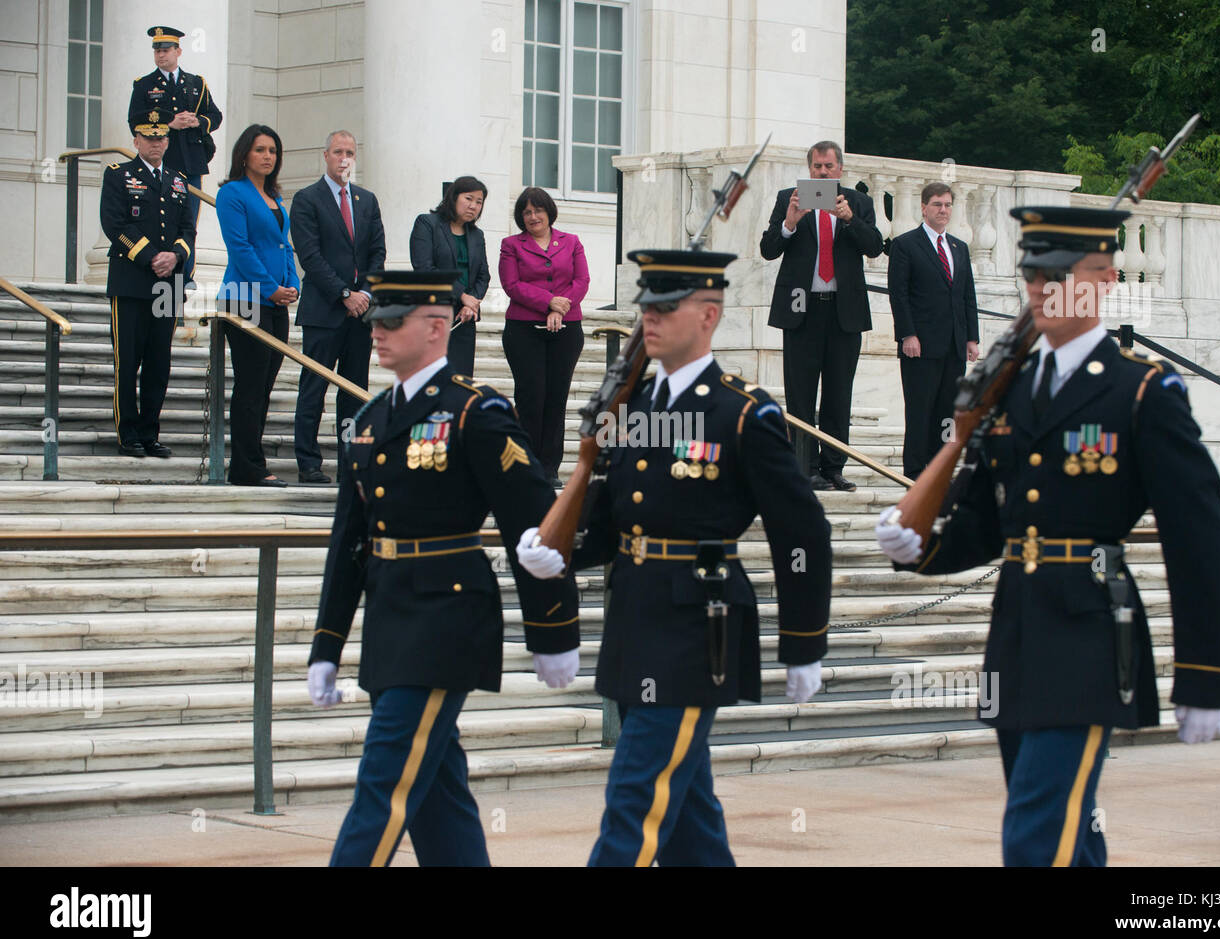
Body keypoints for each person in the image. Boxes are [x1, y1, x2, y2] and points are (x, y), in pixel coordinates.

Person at [874, 206, 1220, 866]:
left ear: (1102, 282)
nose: (1041, 290)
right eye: (1033, 275)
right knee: (1067, 831)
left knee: (1036, 833)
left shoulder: (1141, 391)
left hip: (1090, 636)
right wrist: (921, 548)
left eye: (1059, 276)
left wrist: (1205, 674)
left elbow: (1201, 541)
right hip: (1016, 634)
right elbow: (987, 522)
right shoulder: (1010, 392)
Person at [516, 249, 832, 866]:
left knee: (634, 802)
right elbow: (612, 519)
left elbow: (802, 532)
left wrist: (804, 642)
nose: (649, 320)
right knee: (689, 824)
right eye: (646, 308)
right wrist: (562, 552)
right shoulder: (633, 409)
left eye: (666, 308)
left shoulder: (743, 412)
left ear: (709, 315)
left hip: (699, 628)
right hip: (635, 618)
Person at [305, 269, 581, 866]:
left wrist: (553, 631)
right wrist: (327, 644)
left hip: (447, 621)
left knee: (384, 785)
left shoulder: (475, 411)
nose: (375, 333)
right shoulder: (370, 419)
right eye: (374, 320)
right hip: (389, 622)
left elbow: (533, 526)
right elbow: (350, 542)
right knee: (437, 796)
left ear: (436, 328)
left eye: (390, 322)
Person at [759, 140, 883, 491]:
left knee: (838, 393)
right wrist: (789, 224)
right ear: (809, 168)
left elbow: (874, 247)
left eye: (829, 167)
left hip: (844, 312)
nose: (823, 172)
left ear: (840, 169)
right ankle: (805, 467)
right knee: (800, 394)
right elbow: (769, 250)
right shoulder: (790, 199)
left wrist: (850, 219)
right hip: (801, 309)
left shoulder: (858, 202)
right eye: (817, 167)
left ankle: (833, 467)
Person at [290, 130, 388, 484]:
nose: (344, 158)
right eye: (337, 152)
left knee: (353, 393)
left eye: (350, 152)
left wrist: (362, 294)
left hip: (360, 315)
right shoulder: (307, 199)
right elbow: (310, 256)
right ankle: (308, 462)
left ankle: (351, 460)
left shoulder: (366, 200)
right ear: (325, 155)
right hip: (324, 311)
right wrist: (344, 294)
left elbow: (378, 251)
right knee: (313, 389)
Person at [99, 108, 196, 459]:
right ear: (136, 140)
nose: (155, 143)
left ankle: (150, 432)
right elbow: (114, 223)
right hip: (131, 280)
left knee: (159, 362)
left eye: (161, 138)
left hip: (169, 284)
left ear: (167, 142)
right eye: (149, 137)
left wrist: (176, 256)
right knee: (129, 361)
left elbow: (189, 230)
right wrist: (151, 256)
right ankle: (128, 434)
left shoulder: (178, 180)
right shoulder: (118, 175)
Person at [214, 124, 299, 488]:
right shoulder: (232, 194)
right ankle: (247, 466)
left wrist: (293, 283)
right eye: (261, 150)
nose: (268, 156)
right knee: (250, 385)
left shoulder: (276, 198)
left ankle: (250, 463)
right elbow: (241, 248)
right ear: (244, 154)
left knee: (264, 386)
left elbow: (284, 246)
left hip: (276, 301)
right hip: (245, 299)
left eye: (273, 151)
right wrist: (270, 289)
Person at [887, 182, 981, 479]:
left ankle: (940, 469)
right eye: (937, 204)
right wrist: (907, 334)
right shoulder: (905, 245)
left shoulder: (959, 247)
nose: (943, 210)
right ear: (924, 207)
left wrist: (972, 338)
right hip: (921, 345)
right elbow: (898, 294)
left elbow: (967, 295)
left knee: (948, 414)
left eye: (948, 204)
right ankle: (915, 472)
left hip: (954, 345)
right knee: (920, 411)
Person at [498, 186, 589, 488]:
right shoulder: (511, 245)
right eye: (526, 212)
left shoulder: (572, 242)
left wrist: (560, 309)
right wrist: (548, 302)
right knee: (530, 397)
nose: (533, 216)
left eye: (538, 210)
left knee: (556, 398)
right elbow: (512, 284)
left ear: (549, 211)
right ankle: (526, 464)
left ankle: (549, 468)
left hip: (567, 330)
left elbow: (581, 280)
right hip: (524, 331)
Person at [128, 26, 222, 287]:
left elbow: (215, 116)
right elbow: (134, 121)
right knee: (161, 219)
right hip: (162, 163)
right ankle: (163, 270)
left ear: (178, 51)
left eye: (166, 50)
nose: (161, 55)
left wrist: (197, 121)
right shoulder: (145, 85)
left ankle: (186, 274)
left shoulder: (195, 84)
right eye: (157, 51)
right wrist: (170, 123)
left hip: (191, 161)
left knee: (189, 221)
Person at [409, 176, 490, 377]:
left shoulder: (476, 235)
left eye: (479, 202)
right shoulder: (427, 224)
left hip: (464, 319)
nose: (473, 206)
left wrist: (470, 305)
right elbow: (424, 269)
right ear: (453, 198)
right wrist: (462, 295)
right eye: (468, 199)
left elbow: (483, 275)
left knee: (459, 384)